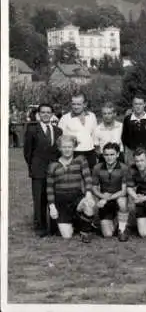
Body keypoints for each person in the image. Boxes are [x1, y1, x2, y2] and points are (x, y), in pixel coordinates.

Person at [46, 135, 95, 243]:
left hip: (76, 197)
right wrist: (52, 206)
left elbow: (88, 178)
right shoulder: (52, 165)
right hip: (61, 200)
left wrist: (88, 194)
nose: (67, 150)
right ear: (59, 148)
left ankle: (85, 231)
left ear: (74, 147)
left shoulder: (81, 160)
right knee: (67, 236)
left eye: (69, 147)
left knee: (89, 204)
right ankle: (75, 221)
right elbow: (49, 188)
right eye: (64, 147)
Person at [23, 103, 63, 237]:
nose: (46, 114)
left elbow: (58, 152)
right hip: (38, 169)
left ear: (52, 114)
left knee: (53, 197)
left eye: (48, 112)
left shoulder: (58, 131)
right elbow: (27, 152)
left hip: (53, 170)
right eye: (43, 112)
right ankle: (40, 227)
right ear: (39, 114)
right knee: (39, 198)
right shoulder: (32, 130)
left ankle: (54, 226)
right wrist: (33, 166)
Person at [91, 142, 129, 241]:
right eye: (106, 155)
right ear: (103, 155)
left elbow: (124, 191)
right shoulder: (97, 168)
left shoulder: (124, 168)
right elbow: (94, 189)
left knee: (122, 202)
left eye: (112, 154)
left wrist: (106, 198)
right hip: (105, 202)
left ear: (117, 154)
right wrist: (103, 197)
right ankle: (116, 220)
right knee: (108, 234)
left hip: (118, 197)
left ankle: (122, 229)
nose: (109, 157)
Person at [58, 93, 98, 170]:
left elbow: (94, 135)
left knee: (90, 178)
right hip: (74, 154)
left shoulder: (92, 116)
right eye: (73, 104)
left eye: (78, 104)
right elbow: (60, 139)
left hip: (90, 153)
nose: (75, 107)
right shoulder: (65, 118)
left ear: (85, 104)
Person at [121, 95, 146, 166]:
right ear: (132, 105)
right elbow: (124, 137)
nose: (138, 106)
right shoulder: (127, 119)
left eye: (140, 104)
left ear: (144, 104)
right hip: (133, 152)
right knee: (132, 174)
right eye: (136, 104)